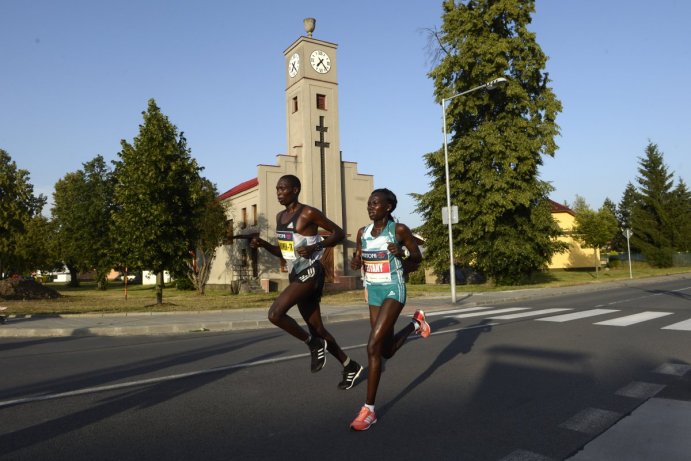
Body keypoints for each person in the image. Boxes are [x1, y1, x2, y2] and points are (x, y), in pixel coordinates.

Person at [250, 174, 363, 390]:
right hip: (296, 273)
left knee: (275, 314)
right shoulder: (280, 217)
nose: (279, 193)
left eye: (283, 188)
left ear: (296, 190)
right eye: (277, 189)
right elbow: (286, 254)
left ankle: (312, 343)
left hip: (312, 271)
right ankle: (350, 365)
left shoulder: (308, 212)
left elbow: (337, 233)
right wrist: (263, 244)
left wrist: (316, 246)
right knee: (317, 328)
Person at [348, 188, 429, 431]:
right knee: (386, 350)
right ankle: (416, 324)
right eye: (369, 203)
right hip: (373, 291)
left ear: (388, 207)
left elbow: (417, 259)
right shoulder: (363, 232)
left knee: (372, 346)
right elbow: (360, 258)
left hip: (394, 289)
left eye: (375, 203)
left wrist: (402, 254)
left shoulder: (399, 230)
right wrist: (356, 262)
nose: (370, 207)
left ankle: (368, 410)